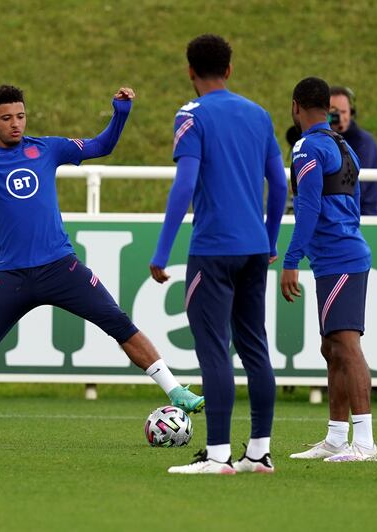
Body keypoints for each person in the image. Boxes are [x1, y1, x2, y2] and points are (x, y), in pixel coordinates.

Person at [0, 84, 205, 442]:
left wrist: (120, 113)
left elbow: (101, 146)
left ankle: (174, 391)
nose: (16, 124)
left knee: (117, 321)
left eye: (21, 116)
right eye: (7, 118)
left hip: (61, 267)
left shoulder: (46, 148)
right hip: (10, 276)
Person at [150, 34, 287, 475]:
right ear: (229, 69)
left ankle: (218, 456)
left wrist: (161, 251)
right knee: (256, 349)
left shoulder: (191, 115)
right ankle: (259, 453)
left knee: (214, 352)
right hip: (253, 249)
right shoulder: (259, 114)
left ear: (190, 71)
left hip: (213, 249)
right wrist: (269, 239)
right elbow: (280, 186)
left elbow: (185, 185)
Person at [281, 77, 377, 462]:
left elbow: (307, 207)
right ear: (329, 108)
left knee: (348, 346)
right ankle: (337, 437)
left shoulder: (306, 147)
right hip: (342, 255)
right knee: (331, 346)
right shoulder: (345, 147)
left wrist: (291, 260)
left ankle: (365, 442)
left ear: (295, 107)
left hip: (337, 260)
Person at [329, 86, 377, 215]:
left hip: (362, 216)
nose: (340, 117)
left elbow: (354, 187)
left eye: (343, 111)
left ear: (351, 112)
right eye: (334, 112)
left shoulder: (365, 142)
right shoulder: (321, 140)